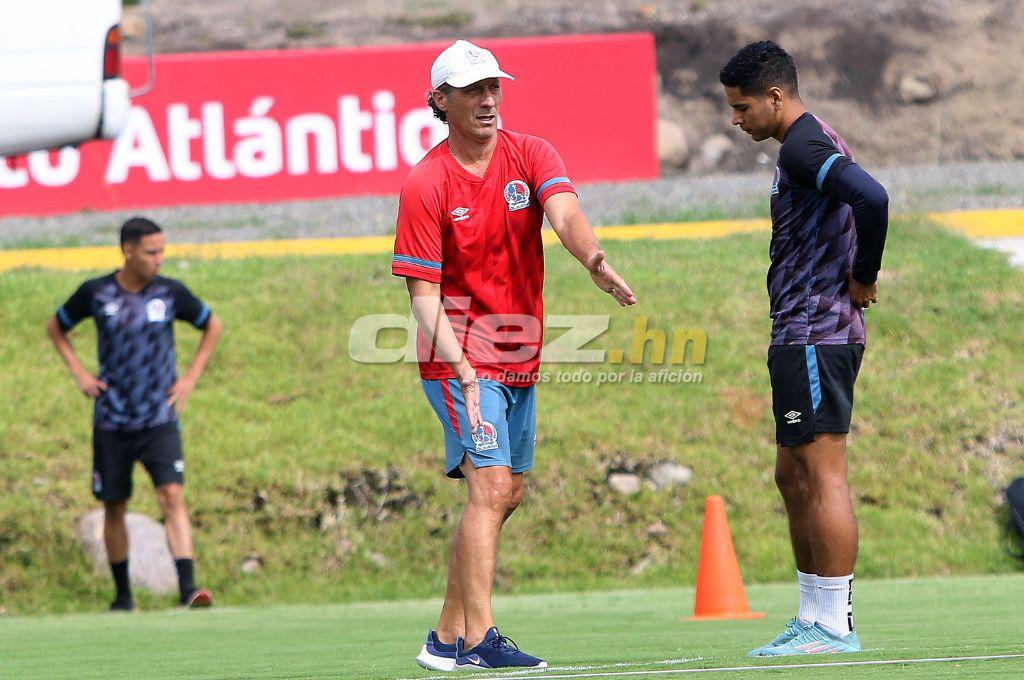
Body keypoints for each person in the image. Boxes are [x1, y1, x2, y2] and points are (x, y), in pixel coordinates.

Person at [394, 40, 637, 671]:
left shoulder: (531, 152)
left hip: (519, 351)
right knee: (491, 485)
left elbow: (566, 214)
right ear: (440, 100)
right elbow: (423, 296)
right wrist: (465, 370)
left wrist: (594, 261)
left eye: (494, 86)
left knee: (507, 493)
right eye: (473, 89)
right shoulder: (426, 182)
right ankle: (480, 641)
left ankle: (445, 636)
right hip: (458, 357)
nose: (488, 99)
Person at [718, 42, 889, 656]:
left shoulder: (802, 145)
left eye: (742, 107)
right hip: (798, 332)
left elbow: (873, 197)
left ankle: (834, 626)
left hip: (818, 331)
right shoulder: (804, 144)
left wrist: (864, 273)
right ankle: (811, 615)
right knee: (791, 475)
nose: (736, 119)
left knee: (821, 474)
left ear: (776, 97)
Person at [46, 217, 223, 612]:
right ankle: (123, 597)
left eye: (162, 251)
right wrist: (80, 374)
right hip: (112, 418)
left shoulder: (170, 293)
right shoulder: (96, 292)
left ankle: (187, 590)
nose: (159, 259)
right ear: (128, 250)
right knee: (115, 505)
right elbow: (56, 327)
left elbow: (212, 324)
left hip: (159, 417)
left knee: (171, 494)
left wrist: (190, 378)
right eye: (151, 252)